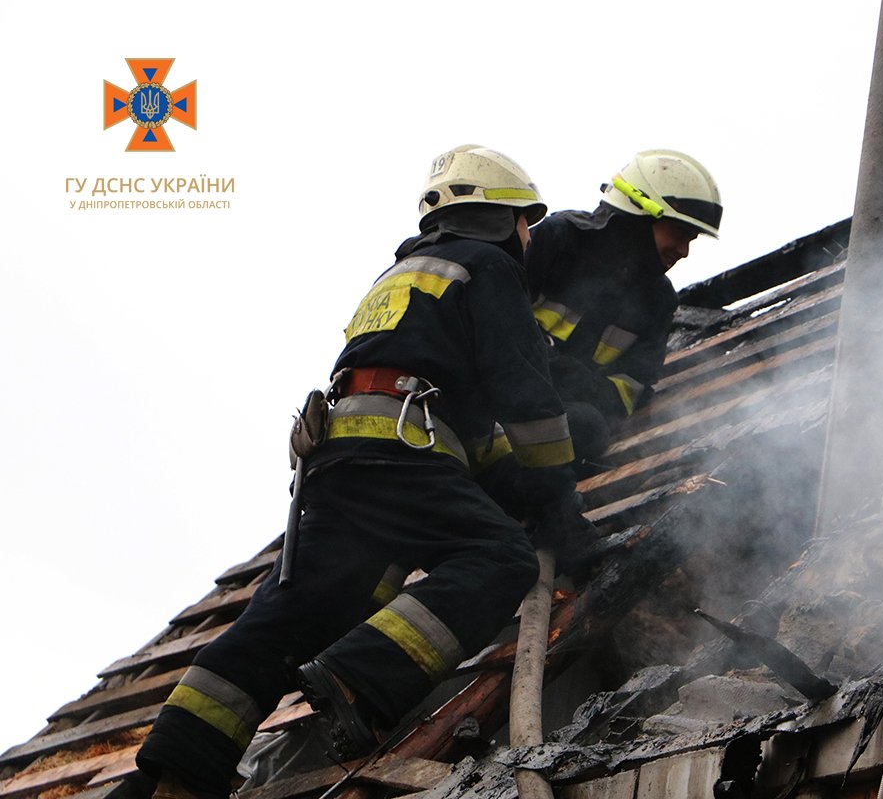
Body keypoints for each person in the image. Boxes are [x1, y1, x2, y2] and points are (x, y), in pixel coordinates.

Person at [134, 145, 591, 799]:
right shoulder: (486, 265)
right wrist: (558, 507)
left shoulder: (399, 276)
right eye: (525, 220)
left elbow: (452, 417)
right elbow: (527, 403)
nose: (529, 236)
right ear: (495, 217)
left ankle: (176, 770)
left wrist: (496, 468)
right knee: (500, 558)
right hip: (398, 452)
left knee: (296, 612)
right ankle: (358, 676)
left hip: (339, 460)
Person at [523, 149, 722, 463]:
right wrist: (550, 366)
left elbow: (631, 389)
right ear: (639, 216)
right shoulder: (559, 240)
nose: (683, 251)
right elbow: (493, 316)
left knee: (587, 428)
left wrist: (581, 387)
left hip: (559, 422)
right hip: (498, 394)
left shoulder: (658, 302)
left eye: (691, 240)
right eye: (679, 234)